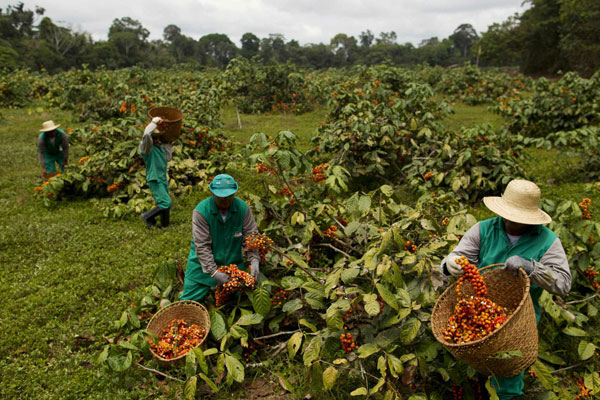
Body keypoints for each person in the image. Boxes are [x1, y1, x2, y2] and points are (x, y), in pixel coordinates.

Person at [440, 179, 571, 400]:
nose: (512, 221)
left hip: (518, 320)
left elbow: (563, 284)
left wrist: (532, 268)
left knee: (507, 375)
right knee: (475, 365)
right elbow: (459, 256)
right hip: (477, 311)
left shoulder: (548, 241)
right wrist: (450, 263)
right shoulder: (483, 229)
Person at [180, 174, 260, 303]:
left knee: (239, 301)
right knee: (187, 304)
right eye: (221, 197)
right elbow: (202, 245)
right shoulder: (201, 211)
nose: (226, 201)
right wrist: (213, 272)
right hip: (201, 266)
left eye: (229, 197)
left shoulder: (243, 208)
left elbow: (251, 236)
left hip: (232, 265)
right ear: (212, 193)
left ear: (234, 193)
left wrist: (254, 260)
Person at [139, 117, 173, 228]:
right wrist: (154, 122)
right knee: (166, 202)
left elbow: (168, 157)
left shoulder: (160, 149)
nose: (158, 140)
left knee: (164, 202)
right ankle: (146, 217)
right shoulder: (147, 150)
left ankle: (165, 225)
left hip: (162, 178)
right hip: (155, 179)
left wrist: (169, 142)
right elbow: (146, 135)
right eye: (156, 137)